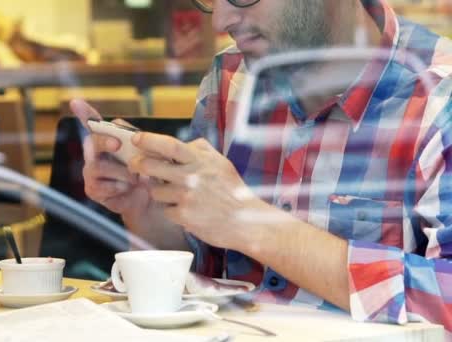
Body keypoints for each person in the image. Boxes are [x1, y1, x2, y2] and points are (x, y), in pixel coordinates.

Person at [72, 0, 452, 335]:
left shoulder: (439, 95)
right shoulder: (232, 76)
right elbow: (208, 268)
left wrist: (251, 224)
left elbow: (446, 297)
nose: (220, 21)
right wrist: (146, 207)